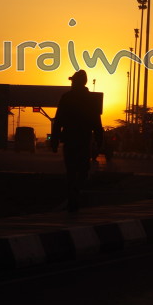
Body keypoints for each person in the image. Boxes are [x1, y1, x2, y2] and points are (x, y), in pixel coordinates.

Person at [51, 69, 104, 212]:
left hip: (74, 140)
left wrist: (55, 140)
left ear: (78, 82)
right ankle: (73, 197)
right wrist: (99, 139)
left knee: (74, 171)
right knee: (80, 170)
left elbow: (58, 121)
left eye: (74, 81)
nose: (72, 83)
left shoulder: (68, 98)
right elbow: (97, 123)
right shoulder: (86, 99)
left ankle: (73, 195)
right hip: (82, 140)